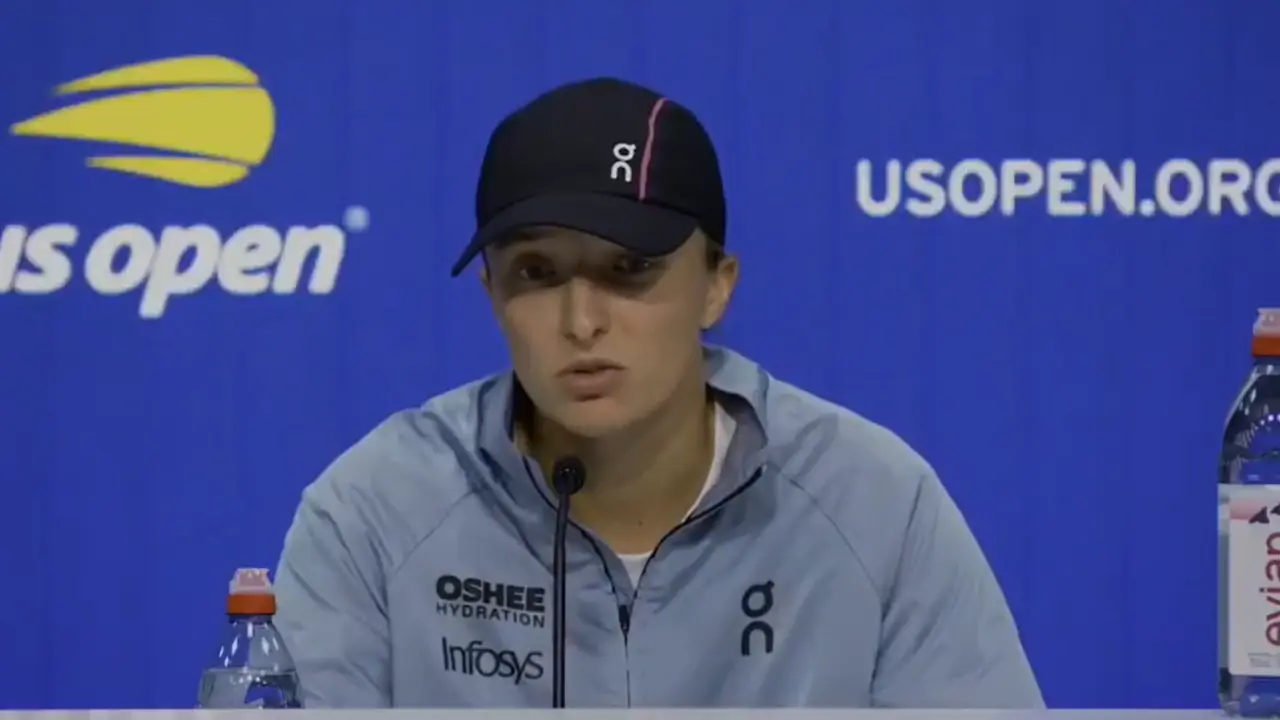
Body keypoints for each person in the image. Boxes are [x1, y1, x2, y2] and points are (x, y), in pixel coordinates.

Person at [272, 76, 1044, 709]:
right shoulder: (376, 511)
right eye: (536, 273)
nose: (581, 322)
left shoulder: (873, 502)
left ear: (717, 286)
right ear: (491, 294)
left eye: (629, 269)